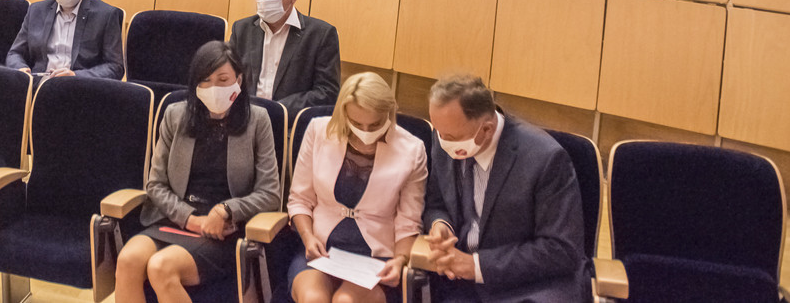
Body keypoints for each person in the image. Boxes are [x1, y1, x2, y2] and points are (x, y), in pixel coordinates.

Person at [113, 42, 279, 303]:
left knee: (161, 267)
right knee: (127, 260)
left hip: (224, 231)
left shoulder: (258, 120)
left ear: (238, 80)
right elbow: (155, 185)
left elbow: (270, 194)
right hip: (176, 219)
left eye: (223, 80)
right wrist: (189, 219)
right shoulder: (175, 115)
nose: (214, 88)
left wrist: (225, 210)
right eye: (206, 81)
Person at [421, 74, 584, 302]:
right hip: (458, 281)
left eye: (451, 137)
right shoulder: (446, 135)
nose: (443, 140)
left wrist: (476, 265)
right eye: (440, 133)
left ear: (487, 129)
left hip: (528, 286)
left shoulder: (545, 159)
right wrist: (441, 225)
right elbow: (436, 203)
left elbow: (561, 250)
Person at [287, 72, 427, 303]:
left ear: (389, 113)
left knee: (346, 301)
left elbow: (408, 222)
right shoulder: (318, 131)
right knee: (313, 298)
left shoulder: (412, 150)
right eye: (356, 123)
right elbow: (300, 200)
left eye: (375, 124)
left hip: (377, 257)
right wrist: (308, 237)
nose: (366, 132)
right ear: (343, 114)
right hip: (320, 248)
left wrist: (400, 260)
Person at [230, 0, 341, 114]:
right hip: (246, 118)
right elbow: (228, 77)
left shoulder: (321, 34)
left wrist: (276, 110)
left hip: (289, 121)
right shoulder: (242, 29)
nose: (263, 0)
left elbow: (327, 92)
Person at [6, 0, 125, 78]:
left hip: (78, 85)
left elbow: (115, 67)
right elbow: (15, 53)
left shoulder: (106, 15)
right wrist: (20, 68)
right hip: (39, 82)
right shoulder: (36, 10)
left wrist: (75, 76)